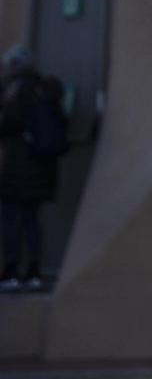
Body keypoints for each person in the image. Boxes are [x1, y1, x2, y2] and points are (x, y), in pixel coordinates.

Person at [0, 46, 61, 292]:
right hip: (42, 167)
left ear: (14, 66)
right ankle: (34, 271)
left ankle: (12, 271)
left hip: (18, 166)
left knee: (10, 219)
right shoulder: (43, 89)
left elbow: (10, 122)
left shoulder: (16, 89)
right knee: (31, 220)